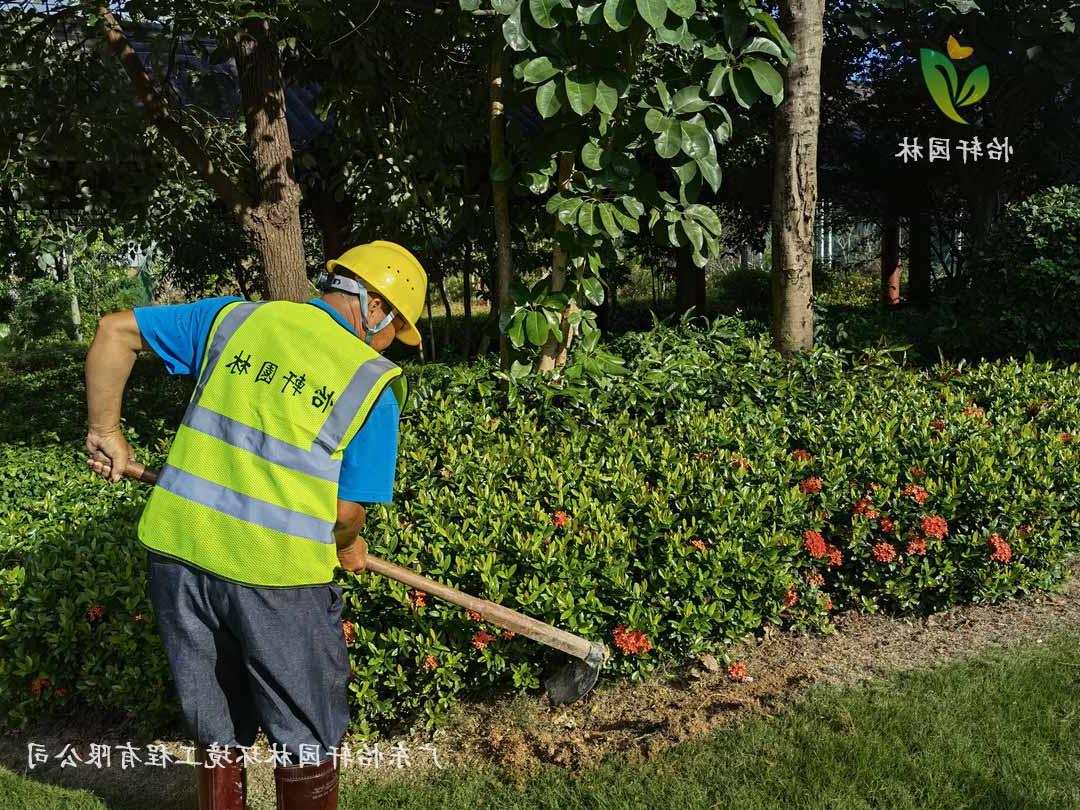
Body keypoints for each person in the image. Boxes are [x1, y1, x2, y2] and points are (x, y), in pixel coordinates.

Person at [83, 241, 427, 810]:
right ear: (377, 310)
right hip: (279, 578)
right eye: (398, 330)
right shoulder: (370, 382)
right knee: (307, 735)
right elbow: (344, 515)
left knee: (216, 728)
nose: (393, 343)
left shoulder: (235, 320)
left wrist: (107, 432)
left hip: (181, 552)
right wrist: (349, 543)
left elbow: (114, 332)